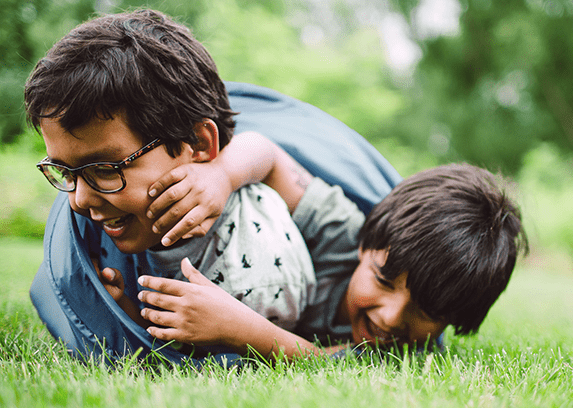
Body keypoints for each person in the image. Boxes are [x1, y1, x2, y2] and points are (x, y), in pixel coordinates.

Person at [24, 9, 338, 360]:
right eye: (65, 171)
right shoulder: (109, 236)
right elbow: (162, 360)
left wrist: (224, 174)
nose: (79, 200)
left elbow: (272, 156)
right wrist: (126, 316)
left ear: (200, 145)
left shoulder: (265, 212)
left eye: (106, 168)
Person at [137, 130, 528, 353]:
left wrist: (240, 329)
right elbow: (268, 154)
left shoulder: (412, 353)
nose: (391, 317)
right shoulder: (340, 226)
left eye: (425, 310)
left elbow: (331, 363)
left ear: (455, 320)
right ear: (365, 246)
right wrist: (222, 175)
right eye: (382, 280)